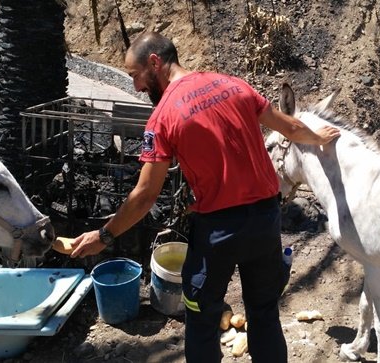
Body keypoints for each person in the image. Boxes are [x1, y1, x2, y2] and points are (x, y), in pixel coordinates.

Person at [70, 31, 339, 362]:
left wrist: (104, 235)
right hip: (266, 221)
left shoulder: (163, 116)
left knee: (201, 318)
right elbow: (292, 129)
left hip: (218, 232)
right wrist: (319, 136)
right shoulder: (235, 85)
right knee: (264, 314)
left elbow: (144, 195)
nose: (136, 86)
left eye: (135, 76)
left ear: (154, 62)